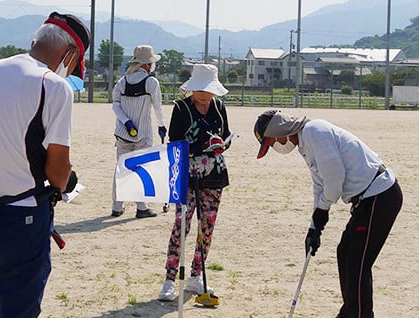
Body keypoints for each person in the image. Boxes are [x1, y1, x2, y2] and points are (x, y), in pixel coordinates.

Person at [0, 12, 90, 317]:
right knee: (18, 307)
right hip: (21, 217)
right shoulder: (54, 85)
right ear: (69, 55)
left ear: (35, 40)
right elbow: (57, 174)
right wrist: (66, 180)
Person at [253, 109, 403, 318]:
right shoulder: (305, 143)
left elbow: (335, 180)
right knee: (345, 252)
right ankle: (351, 311)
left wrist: (323, 210)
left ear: (280, 131)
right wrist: (315, 227)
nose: (276, 147)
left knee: (357, 263)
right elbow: (320, 184)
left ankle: (358, 314)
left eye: (272, 143)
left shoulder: (315, 131)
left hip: (380, 196)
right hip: (367, 200)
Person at [158, 64, 231, 301]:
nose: (204, 95)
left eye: (208, 90)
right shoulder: (181, 108)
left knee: (206, 228)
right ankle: (169, 279)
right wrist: (202, 147)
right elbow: (175, 141)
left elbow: (227, 134)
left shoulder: (219, 107)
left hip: (214, 175)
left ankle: (196, 276)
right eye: (199, 89)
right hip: (187, 176)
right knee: (181, 226)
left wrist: (223, 144)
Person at [111, 44, 166, 218]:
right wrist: (161, 125)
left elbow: (115, 105)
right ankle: (141, 207)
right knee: (142, 169)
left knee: (122, 168)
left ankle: (117, 207)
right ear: (148, 65)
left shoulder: (122, 81)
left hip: (122, 132)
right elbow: (158, 107)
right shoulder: (151, 82)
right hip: (143, 132)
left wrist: (126, 122)